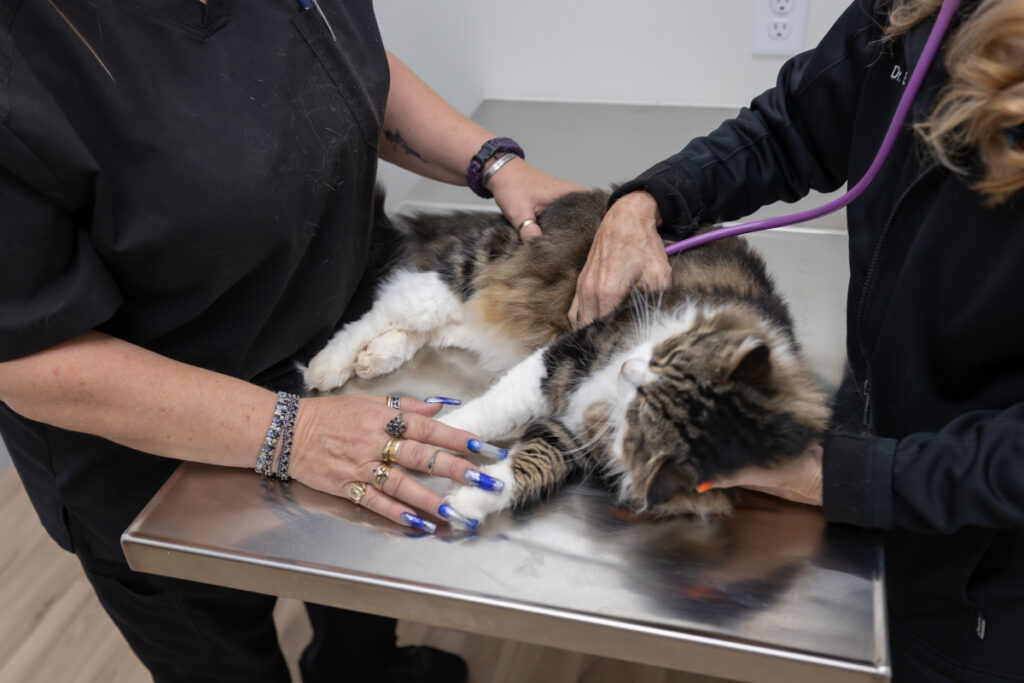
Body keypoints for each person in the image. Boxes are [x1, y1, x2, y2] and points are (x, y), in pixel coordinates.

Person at [0, 1, 583, 681]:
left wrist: (495, 164)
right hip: (152, 444)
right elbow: (28, 356)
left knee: (363, 575)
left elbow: (344, 67)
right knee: (219, 653)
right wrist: (297, 434)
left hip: (331, 348)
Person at [569, 0, 1024, 680]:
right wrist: (651, 199)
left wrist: (837, 478)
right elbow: (790, 128)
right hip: (870, 466)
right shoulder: (914, 10)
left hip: (978, 572)